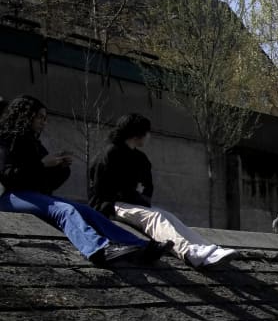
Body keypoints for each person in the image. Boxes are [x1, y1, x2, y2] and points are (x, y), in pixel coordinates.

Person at [0, 95, 163, 267]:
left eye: (45, 118)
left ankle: (141, 245)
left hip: (34, 195)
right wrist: (42, 164)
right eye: (40, 117)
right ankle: (97, 250)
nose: (44, 122)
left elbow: (46, 184)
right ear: (26, 115)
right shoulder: (5, 141)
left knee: (87, 211)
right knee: (65, 210)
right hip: (10, 196)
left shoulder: (34, 144)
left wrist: (60, 168)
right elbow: (7, 176)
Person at [88, 113, 236, 267]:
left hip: (132, 203)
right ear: (137, 134)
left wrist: (141, 197)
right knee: (155, 216)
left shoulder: (140, 158)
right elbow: (100, 190)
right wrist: (129, 196)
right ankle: (189, 252)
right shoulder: (110, 153)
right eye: (146, 132)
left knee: (169, 216)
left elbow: (147, 186)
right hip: (110, 205)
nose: (149, 136)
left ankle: (207, 249)